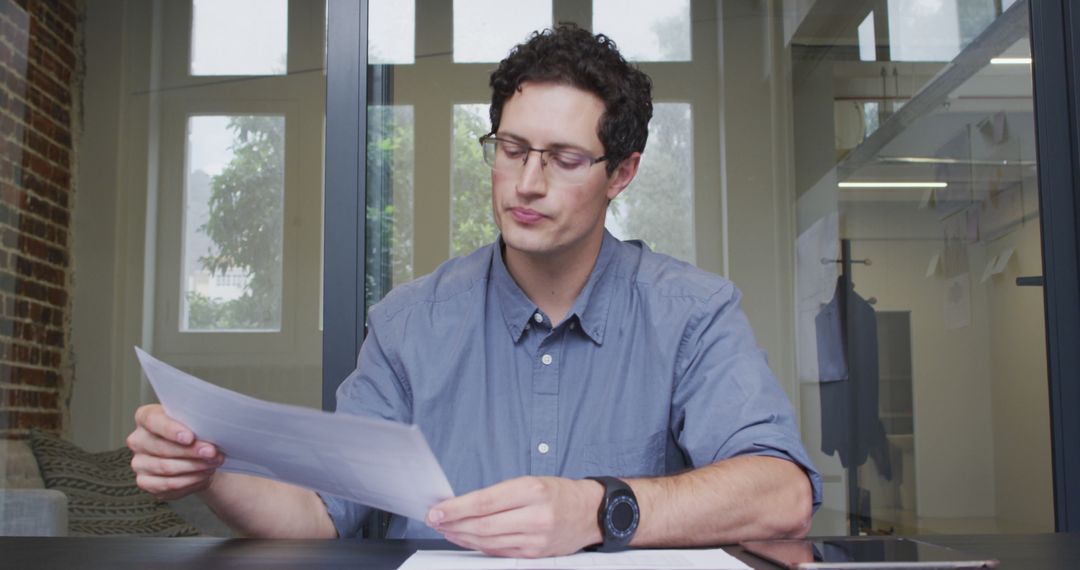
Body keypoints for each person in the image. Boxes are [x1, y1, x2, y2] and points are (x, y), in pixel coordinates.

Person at [127, 25, 822, 558]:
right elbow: (319, 514)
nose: (526, 183)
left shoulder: (693, 313)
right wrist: (208, 471)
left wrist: (599, 509)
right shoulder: (408, 323)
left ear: (622, 173)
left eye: (565, 159)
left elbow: (783, 493)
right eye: (512, 149)